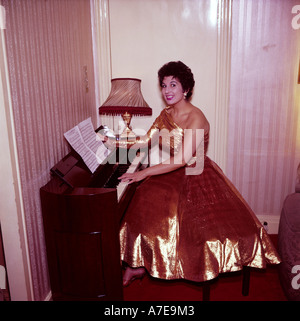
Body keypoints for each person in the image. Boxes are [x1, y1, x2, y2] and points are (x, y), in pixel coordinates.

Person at [104, 61, 280, 287]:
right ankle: (136, 265)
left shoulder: (196, 117)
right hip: (174, 173)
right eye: (164, 85)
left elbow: (183, 159)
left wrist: (143, 173)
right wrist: (113, 141)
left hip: (197, 175)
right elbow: (145, 140)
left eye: (173, 85)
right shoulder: (165, 114)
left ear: (185, 89)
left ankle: (188, 264)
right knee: (142, 201)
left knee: (188, 225)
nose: (167, 90)